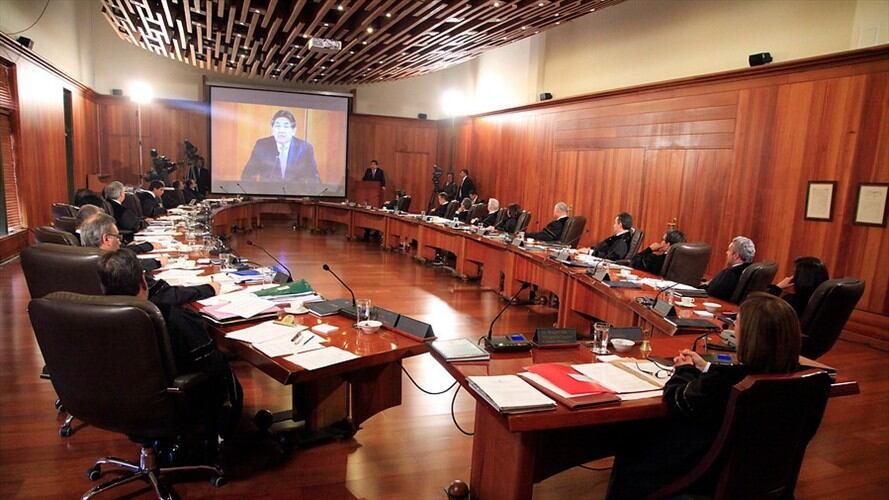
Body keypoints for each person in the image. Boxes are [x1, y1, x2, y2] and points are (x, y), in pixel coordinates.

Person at [607, 293, 801, 499]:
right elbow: (733, 375)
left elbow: (678, 399)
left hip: (704, 473)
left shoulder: (723, 382)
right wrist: (705, 366)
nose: (733, 328)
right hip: (758, 472)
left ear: (750, 335)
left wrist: (684, 370)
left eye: (737, 323)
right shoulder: (800, 377)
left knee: (633, 448)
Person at [96, 249, 242, 440]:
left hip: (115, 403)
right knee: (223, 370)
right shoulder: (170, 319)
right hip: (173, 404)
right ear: (143, 281)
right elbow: (211, 364)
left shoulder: (93, 316)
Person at [80, 214, 218, 303]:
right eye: (117, 237)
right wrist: (209, 289)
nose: (120, 242)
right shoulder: (117, 268)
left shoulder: (74, 264)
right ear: (107, 239)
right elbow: (165, 294)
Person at [240, 109, 321, 186]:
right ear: (272, 129)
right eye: (277, 126)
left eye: (286, 126)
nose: (281, 130)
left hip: (295, 197)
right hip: (267, 196)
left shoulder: (305, 148)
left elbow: (314, 178)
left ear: (293, 131)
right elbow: (248, 175)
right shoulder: (262, 145)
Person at [704, 236, 755, 301]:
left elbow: (712, 293)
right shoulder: (751, 271)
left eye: (729, 250)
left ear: (736, 256)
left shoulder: (730, 274)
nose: (726, 252)